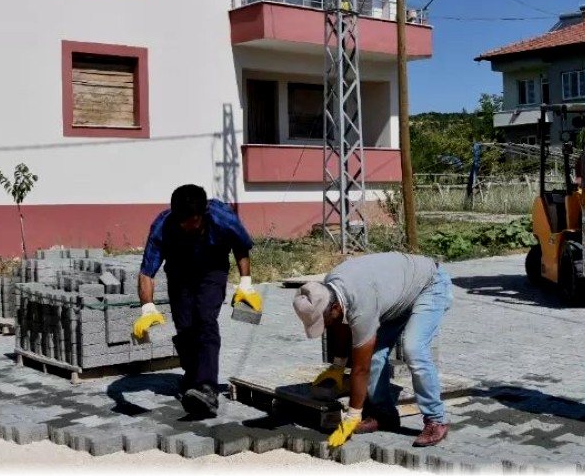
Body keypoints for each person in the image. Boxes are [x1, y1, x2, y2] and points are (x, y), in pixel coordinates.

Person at [293, 252, 453, 449]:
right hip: (396, 295)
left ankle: (436, 421)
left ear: (334, 307)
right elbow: (341, 323)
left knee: (414, 349)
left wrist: (353, 415)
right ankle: (384, 415)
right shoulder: (329, 289)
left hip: (430, 285)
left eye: (323, 321)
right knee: (376, 355)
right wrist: (338, 366)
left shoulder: (360, 302)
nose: (325, 326)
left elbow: (361, 368)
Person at [133, 184, 261, 418]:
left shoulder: (222, 217)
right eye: (183, 223)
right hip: (180, 274)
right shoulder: (163, 226)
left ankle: (207, 388)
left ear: (204, 213)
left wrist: (246, 283)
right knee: (184, 328)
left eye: (193, 223)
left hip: (212, 270)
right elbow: (146, 272)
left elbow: (241, 246)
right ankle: (192, 379)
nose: (188, 228)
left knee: (205, 319)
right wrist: (148, 307)